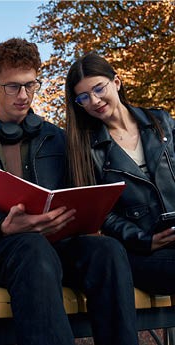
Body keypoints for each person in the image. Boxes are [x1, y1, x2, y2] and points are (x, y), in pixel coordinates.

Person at [0, 38, 138, 345]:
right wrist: (1, 225)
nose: (24, 96)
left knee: (108, 251)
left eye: (31, 85)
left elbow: (76, 192)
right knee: (32, 247)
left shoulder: (56, 137)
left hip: (54, 245)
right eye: (13, 87)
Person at [65, 51, 175, 295]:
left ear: (116, 82)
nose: (94, 101)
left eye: (98, 89)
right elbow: (101, 215)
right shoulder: (86, 149)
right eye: (83, 97)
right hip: (139, 253)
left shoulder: (162, 122)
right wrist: (145, 240)